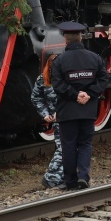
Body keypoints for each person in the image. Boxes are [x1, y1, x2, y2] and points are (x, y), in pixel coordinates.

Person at [50, 22, 108, 191]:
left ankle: (70, 181)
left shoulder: (59, 61)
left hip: (67, 111)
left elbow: (58, 86)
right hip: (88, 110)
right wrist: (89, 93)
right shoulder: (95, 58)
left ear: (65, 40)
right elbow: (104, 79)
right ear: (81, 37)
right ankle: (83, 176)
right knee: (85, 143)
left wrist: (75, 95)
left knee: (68, 145)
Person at [30, 52, 64, 189]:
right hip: (57, 119)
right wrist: (45, 114)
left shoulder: (65, 77)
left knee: (65, 147)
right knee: (64, 148)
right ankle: (51, 176)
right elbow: (36, 97)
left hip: (66, 115)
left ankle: (59, 176)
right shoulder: (42, 79)